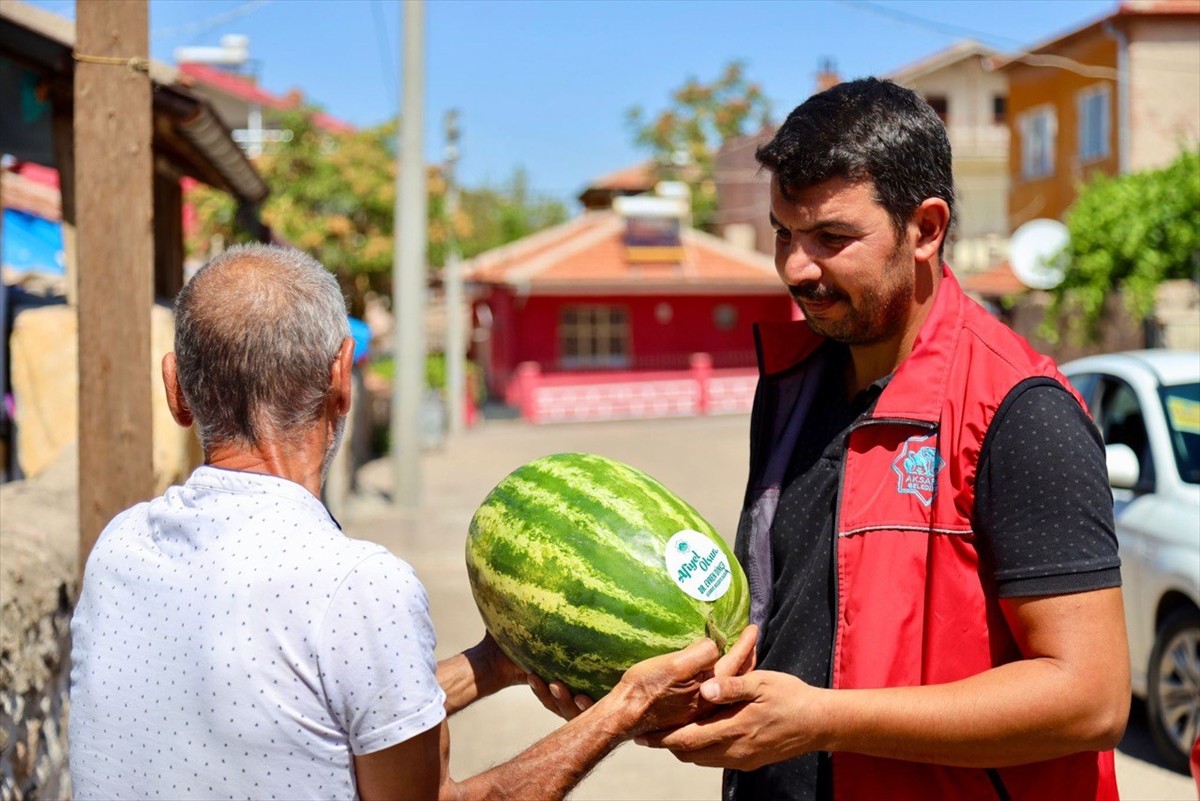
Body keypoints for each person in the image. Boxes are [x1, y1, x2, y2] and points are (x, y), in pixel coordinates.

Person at [68, 243, 734, 800]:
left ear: (175, 389)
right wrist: (624, 710)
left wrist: (492, 665)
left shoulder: (118, 548)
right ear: (342, 378)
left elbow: (317, 714)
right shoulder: (357, 585)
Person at [639, 78, 1130, 800]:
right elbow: (791, 621)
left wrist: (822, 721)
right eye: (783, 233)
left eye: (831, 239)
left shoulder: (1022, 412)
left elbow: (1090, 698)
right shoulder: (792, 384)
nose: (795, 267)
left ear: (926, 228)